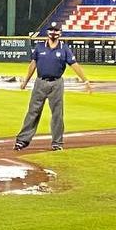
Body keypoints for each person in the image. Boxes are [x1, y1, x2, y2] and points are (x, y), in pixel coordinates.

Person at [14, 21, 94, 151]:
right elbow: (32, 65)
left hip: (56, 83)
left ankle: (57, 143)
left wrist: (85, 81)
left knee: (57, 114)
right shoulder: (39, 47)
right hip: (40, 82)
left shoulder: (64, 48)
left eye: (56, 30)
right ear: (47, 32)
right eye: (51, 30)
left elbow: (75, 65)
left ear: (60, 33)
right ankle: (22, 141)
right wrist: (25, 81)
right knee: (33, 112)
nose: (54, 33)